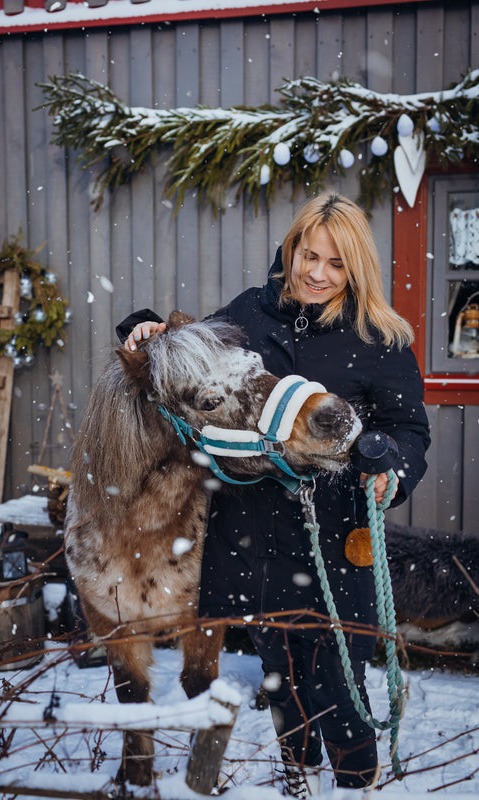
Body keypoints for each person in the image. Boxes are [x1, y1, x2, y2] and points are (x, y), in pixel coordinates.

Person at [118, 192, 430, 796]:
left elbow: (407, 430)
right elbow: (190, 362)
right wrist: (146, 330)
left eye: (336, 264)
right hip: (253, 532)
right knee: (279, 674)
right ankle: (297, 776)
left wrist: (391, 467)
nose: (317, 273)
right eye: (308, 256)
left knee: (337, 680)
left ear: (356, 268)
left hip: (335, 536)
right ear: (290, 251)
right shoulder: (247, 316)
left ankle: (354, 781)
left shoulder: (379, 338)